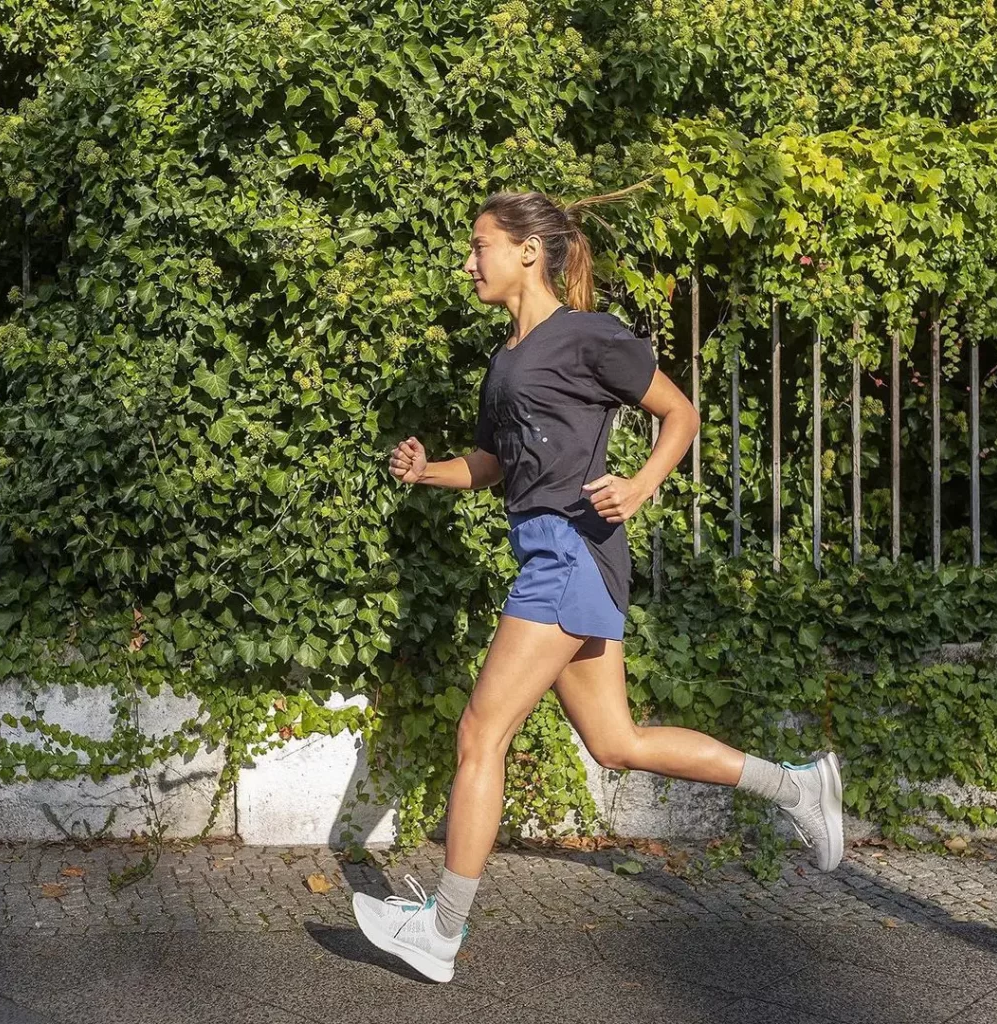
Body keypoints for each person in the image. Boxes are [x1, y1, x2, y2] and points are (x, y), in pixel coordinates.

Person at [352, 187, 843, 983]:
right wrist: (428, 471)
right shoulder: (505, 359)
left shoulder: (588, 337)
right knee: (616, 744)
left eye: (480, 245)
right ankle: (794, 786)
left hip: (569, 553)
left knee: (481, 732)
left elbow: (679, 414)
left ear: (526, 252)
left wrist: (642, 485)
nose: (468, 260)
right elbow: (497, 465)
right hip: (557, 554)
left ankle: (440, 931)